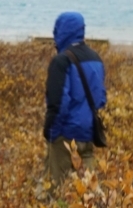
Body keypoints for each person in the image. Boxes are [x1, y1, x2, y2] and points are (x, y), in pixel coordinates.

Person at [43, 11, 106, 183]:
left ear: (60, 31)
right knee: (88, 192)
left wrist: (50, 134)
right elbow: (101, 99)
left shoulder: (61, 61)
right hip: (88, 134)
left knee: (54, 190)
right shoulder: (96, 59)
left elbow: (58, 104)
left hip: (65, 136)